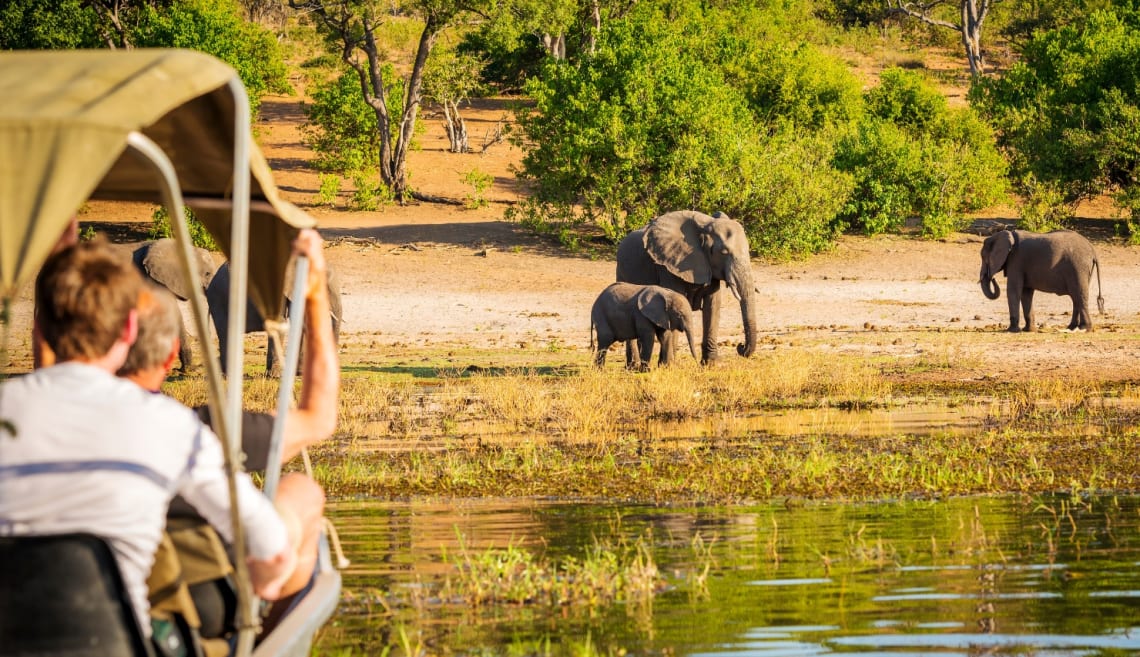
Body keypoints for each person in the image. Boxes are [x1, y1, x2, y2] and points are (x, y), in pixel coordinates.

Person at [0, 239, 298, 637]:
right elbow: (272, 547)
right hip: (120, 641)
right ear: (129, 329)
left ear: (37, 327)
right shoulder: (167, 424)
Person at [120, 229, 338, 643]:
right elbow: (319, 418)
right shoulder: (191, 433)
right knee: (301, 492)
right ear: (171, 355)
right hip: (179, 618)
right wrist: (314, 296)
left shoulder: (17, 421)